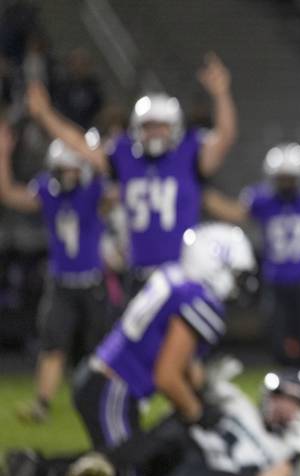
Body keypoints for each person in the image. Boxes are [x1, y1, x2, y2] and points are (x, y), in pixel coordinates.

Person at [67, 222, 255, 476]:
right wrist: (197, 412)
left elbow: (182, 357)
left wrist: (198, 387)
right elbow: (166, 377)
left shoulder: (176, 277)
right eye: (236, 274)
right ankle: (40, 471)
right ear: (216, 265)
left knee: (122, 460)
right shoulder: (199, 298)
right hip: (113, 389)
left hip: (102, 379)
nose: (239, 284)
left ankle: (41, 468)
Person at [26, 52, 237, 295]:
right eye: (149, 126)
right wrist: (46, 115)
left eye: (161, 126)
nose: (155, 133)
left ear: (175, 128)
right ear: (137, 129)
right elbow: (80, 145)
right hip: (138, 274)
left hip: (182, 273)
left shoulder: (189, 153)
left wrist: (221, 95)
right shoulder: (124, 155)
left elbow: (225, 137)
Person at [0, 364, 300, 476]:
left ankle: (38, 470)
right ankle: (43, 468)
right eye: (282, 396)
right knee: (153, 448)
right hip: (183, 445)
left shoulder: (289, 445)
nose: (286, 406)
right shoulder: (236, 402)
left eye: (295, 400)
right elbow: (196, 377)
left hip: (205, 472)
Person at [0, 122, 112, 424]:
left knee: (101, 348)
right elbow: (10, 194)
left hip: (93, 282)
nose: (68, 175)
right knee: (52, 344)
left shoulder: (95, 192)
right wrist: (3, 154)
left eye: (73, 169)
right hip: (61, 282)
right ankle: (42, 404)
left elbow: (115, 181)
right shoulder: (48, 192)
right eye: (63, 169)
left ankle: (108, 400)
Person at [204, 142, 300, 373]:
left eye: (290, 178)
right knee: (277, 341)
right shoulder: (264, 201)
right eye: (282, 178)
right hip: (276, 283)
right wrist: (202, 190)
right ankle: (285, 383)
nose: (286, 184)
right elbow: (233, 212)